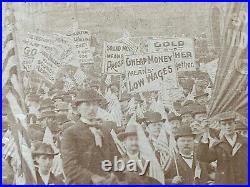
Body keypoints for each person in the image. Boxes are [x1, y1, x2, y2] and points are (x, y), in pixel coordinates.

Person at [61, 89, 120, 184]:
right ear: (78, 108)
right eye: (87, 105)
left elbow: (116, 158)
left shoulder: (105, 131)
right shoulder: (70, 133)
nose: (92, 108)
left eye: (95, 104)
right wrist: (92, 177)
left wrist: (115, 174)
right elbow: (69, 167)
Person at [197, 112, 248, 184]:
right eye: (224, 124)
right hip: (225, 181)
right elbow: (204, 157)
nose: (228, 127)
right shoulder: (218, 145)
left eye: (230, 123)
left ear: (235, 124)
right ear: (220, 126)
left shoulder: (246, 142)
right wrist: (205, 134)